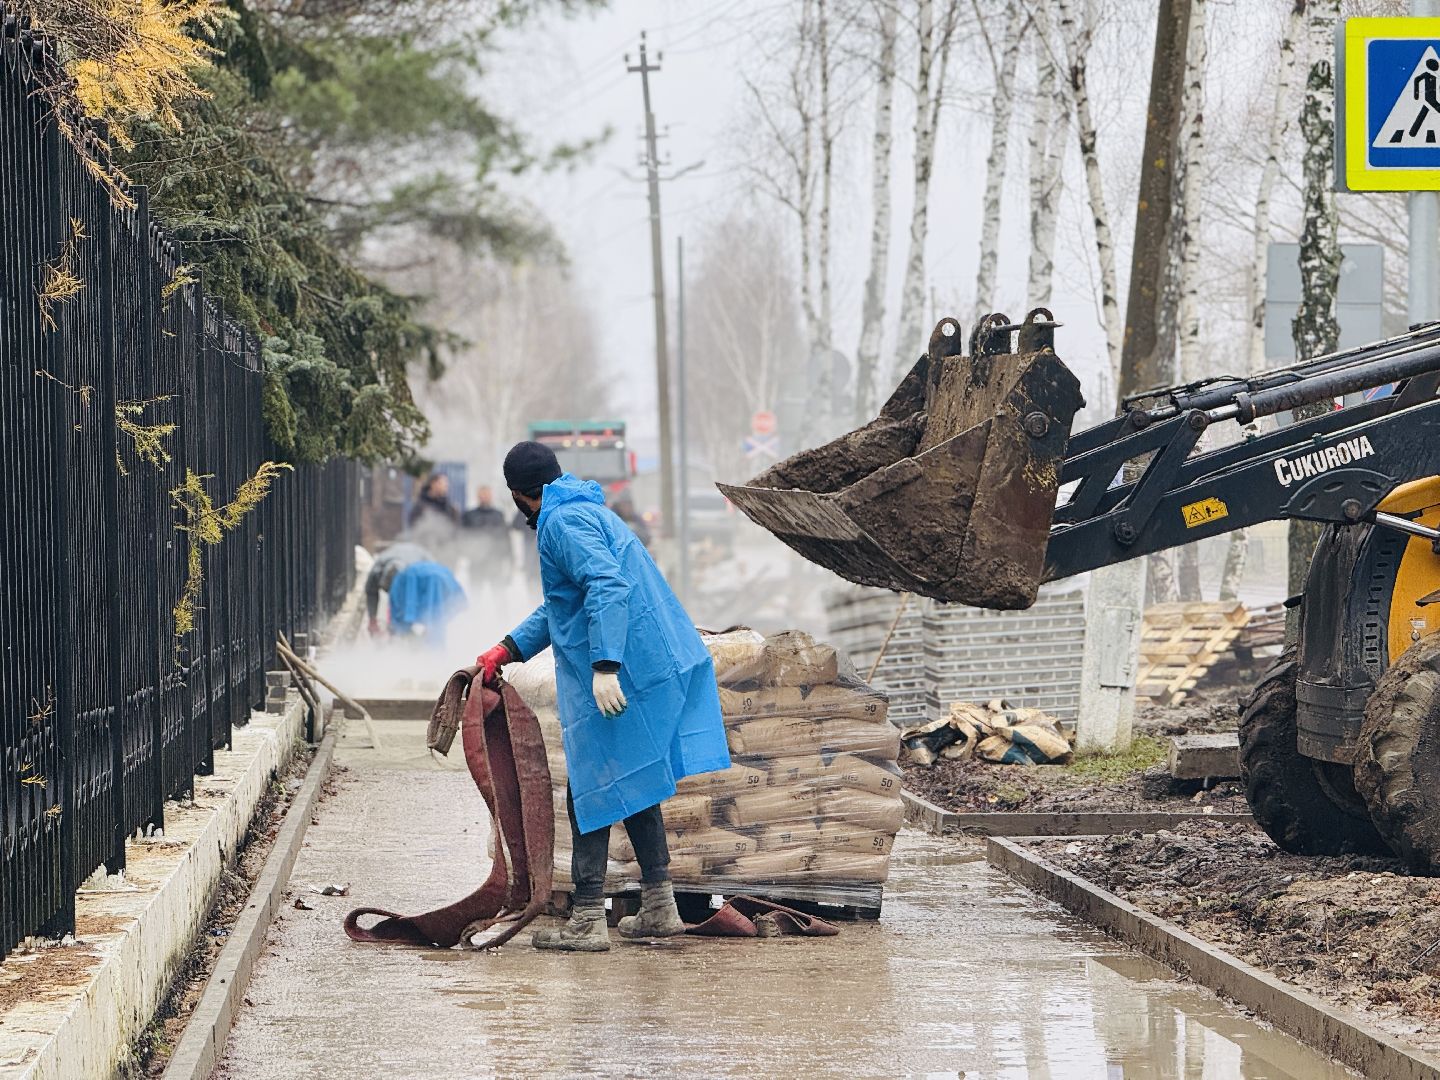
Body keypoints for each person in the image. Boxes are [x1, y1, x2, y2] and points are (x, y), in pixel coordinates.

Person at [475, 441, 730, 952]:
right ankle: (660, 907)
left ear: (519, 495)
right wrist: (509, 648)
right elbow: (562, 606)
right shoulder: (584, 509)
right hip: (649, 659)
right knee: (635, 776)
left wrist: (605, 666)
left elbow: (606, 587)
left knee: (590, 786)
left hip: (625, 668)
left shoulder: (561, 524)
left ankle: (587, 918)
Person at [365, 541, 466, 647]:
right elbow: (371, 592)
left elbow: (434, 599)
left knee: (430, 615)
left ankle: (425, 646)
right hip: (434, 578)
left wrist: (428, 626)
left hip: (429, 579)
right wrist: (372, 619)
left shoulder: (419, 567)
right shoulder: (377, 569)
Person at [407, 471, 460, 555]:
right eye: (443, 483)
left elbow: (454, 531)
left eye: (446, 484)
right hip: (425, 551)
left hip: (445, 552)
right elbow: (414, 529)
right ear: (433, 484)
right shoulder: (420, 507)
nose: (446, 486)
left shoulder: (449, 508)